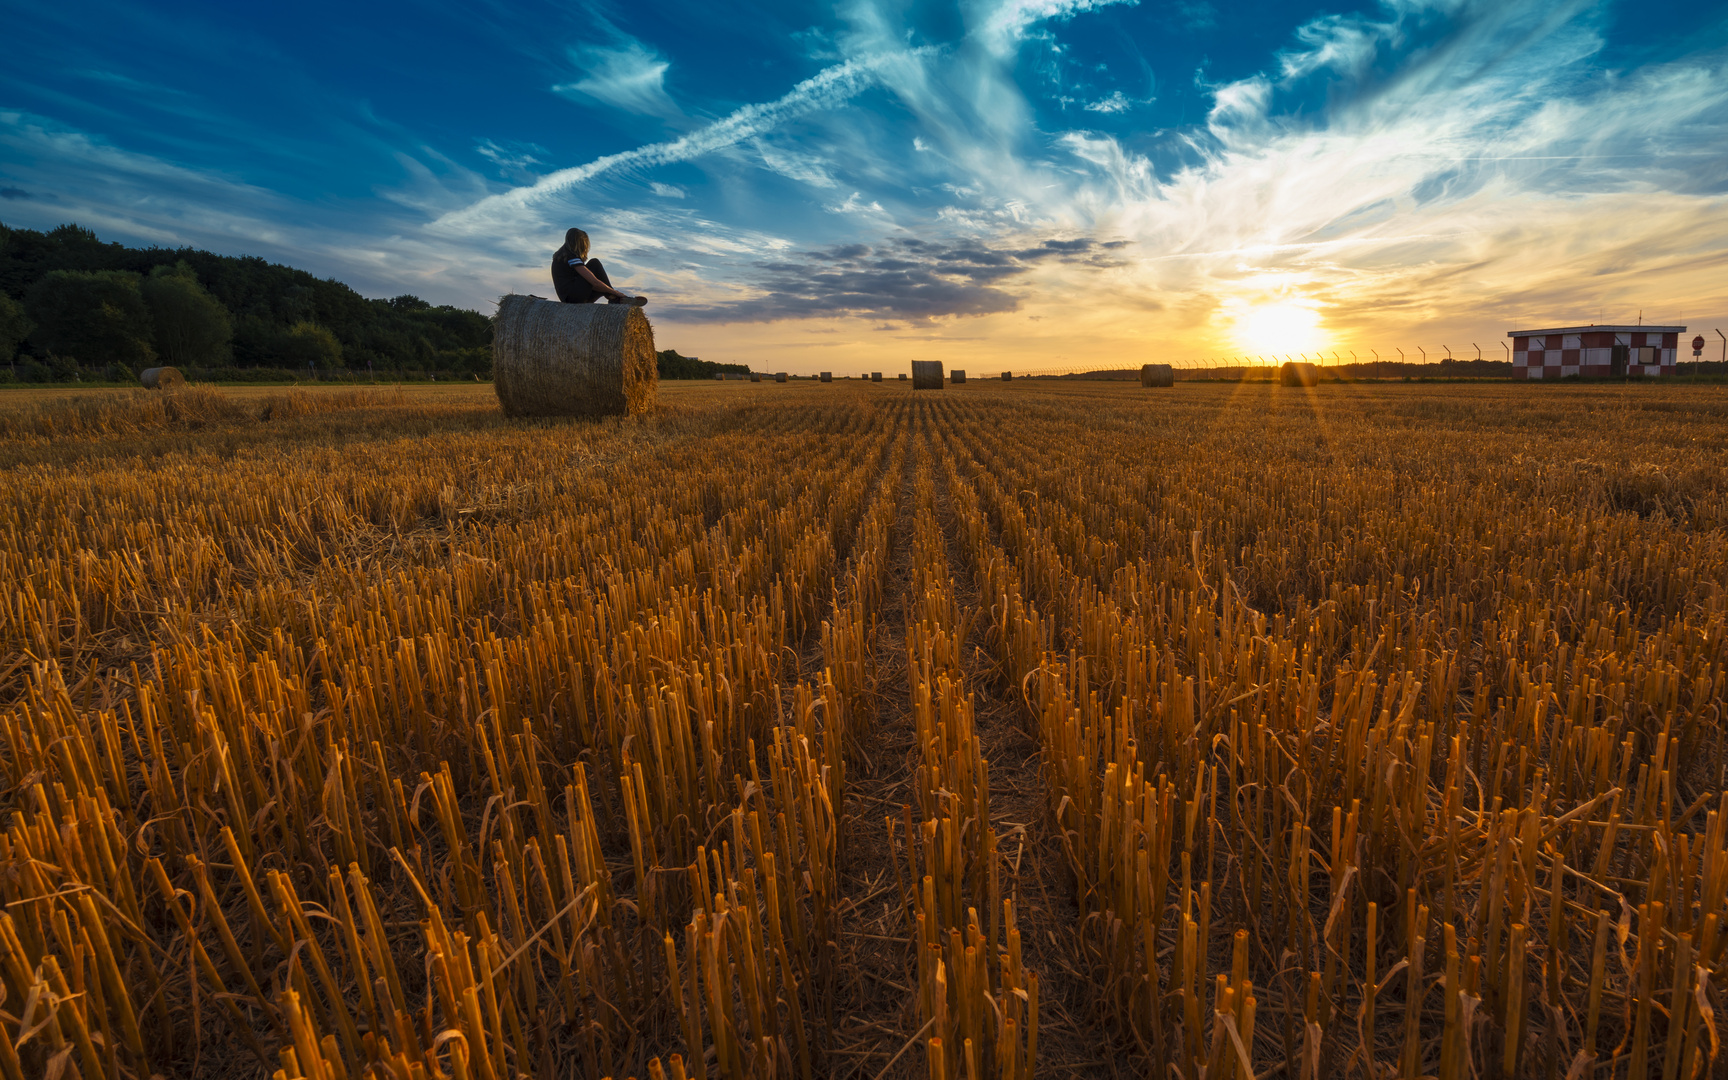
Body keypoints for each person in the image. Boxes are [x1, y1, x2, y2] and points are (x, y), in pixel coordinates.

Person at [551, 228, 647, 306]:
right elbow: (594, 282)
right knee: (594, 263)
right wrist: (616, 292)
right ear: (580, 244)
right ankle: (615, 298)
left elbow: (594, 285)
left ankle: (614, 298)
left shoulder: (561, 257)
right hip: (573, 298)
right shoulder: (570, 256)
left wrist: (609, 291)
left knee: (602, 285)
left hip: (571, 298)